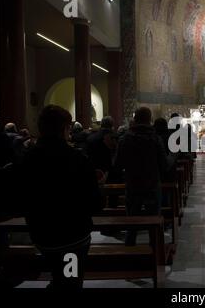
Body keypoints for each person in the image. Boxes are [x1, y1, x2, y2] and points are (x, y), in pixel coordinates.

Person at [19, 105, 103, 288]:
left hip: (42, 236)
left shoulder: (27, 159)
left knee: (61, 277)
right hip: (73, 240)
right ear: (65, 129)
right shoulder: (78, 159)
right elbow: (95, 204)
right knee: (71, 281)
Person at [115, 107, 167, 246]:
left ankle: (129, 252)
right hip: (152, 185)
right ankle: (155, 253)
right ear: (150, 120)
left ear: (135, 119)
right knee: (153, 220)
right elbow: (163, 164)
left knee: (131, 222)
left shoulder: (125, 138)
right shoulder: (155, 138)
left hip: (132, 185)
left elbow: (117, 164)